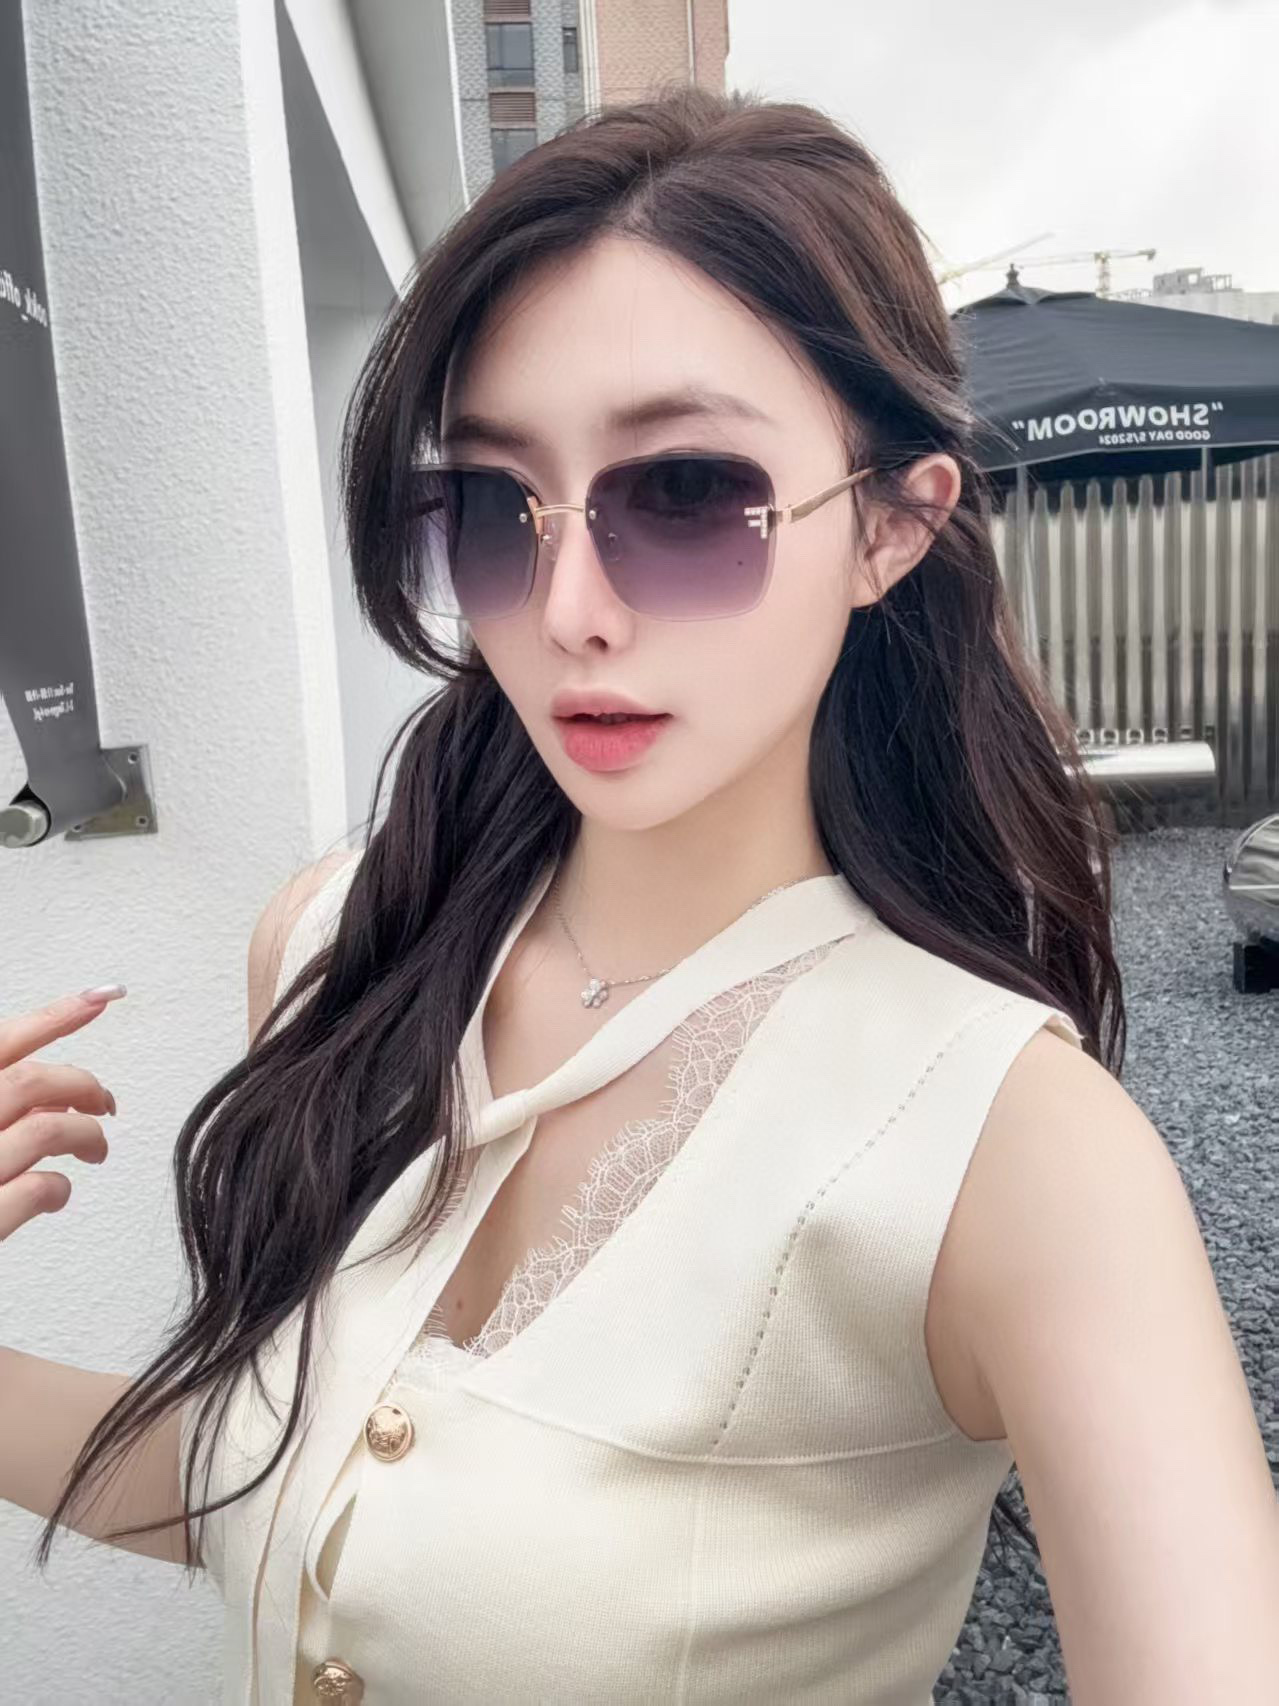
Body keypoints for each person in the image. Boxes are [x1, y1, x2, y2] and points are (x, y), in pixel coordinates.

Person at [3, 85, 1276, 1706]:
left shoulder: (1012, 1151)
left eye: (683, 496)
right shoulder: (338, 948)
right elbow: (284, 1492)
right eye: (493, 505)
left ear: (892, 526)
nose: (570, 609)